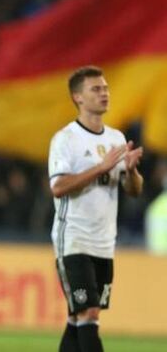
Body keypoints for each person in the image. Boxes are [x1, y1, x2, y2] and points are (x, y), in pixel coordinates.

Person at [48, 65, 143, 352]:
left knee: (78, 317)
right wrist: (100, 167)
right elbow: (59, 187)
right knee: (88, 312)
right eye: (96, 89)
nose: (104, 93)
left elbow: (133, 191)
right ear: (78, 97)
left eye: (105, 88)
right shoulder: (65, 139)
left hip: (104, 243)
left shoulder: (115, 138)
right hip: (74, 241)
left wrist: (131, 171)